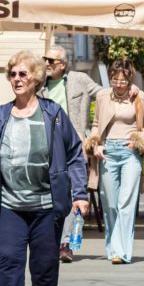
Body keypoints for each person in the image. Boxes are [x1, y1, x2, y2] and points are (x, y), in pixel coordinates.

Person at [0, 51, 89, 286]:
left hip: (46, 206)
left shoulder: (52, 115)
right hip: (10, 205)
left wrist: (80, 194)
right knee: (8, 263)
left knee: (44, 267)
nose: (17, 79)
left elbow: (75, 154)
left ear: (36, 78)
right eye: (13, 74)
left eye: (23, 74)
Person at [41, 45, 102, 263]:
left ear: (63, 65)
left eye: (51, 60)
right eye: (45, 59)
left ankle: (65, 243)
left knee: (71, 195)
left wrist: (94, 132)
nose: (46, 64)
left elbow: (104, 95)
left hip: (71, 146)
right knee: (46, 195)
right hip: (44, 147)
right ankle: (48, 241)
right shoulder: (38, 83)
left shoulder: (79, 79)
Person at [90, 59, 144, 263]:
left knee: (126, 202)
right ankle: (113, 248)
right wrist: (95, 144)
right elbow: (96, 123)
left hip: (129, 153)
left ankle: (121, 252)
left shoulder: (140, 98)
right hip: (108, 152)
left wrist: (138, 141)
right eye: (114, 79)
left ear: (130, 79)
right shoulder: (102, 97)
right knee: (110, 204)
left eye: (122, 81)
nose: (118, 84)